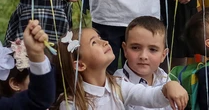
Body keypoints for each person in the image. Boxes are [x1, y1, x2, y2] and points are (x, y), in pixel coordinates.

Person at [52, 28, 189, 110]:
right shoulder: (70, 103)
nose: (104, 42)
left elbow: (150, 96)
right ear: (80, 65)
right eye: (94, 42)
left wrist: (168, 87)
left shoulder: (118, 85)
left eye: (100, 38)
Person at [113, 16, 171, 110]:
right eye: (135, 48)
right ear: (125, 50)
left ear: (163, 55)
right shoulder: (118, 82)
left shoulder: (164, 78)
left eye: (152, 49)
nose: (143, 56)